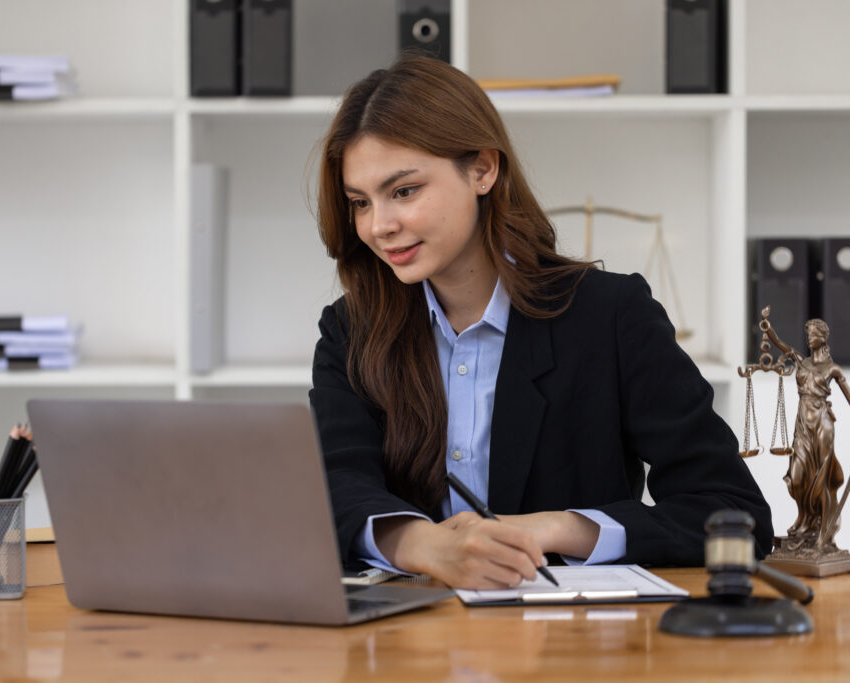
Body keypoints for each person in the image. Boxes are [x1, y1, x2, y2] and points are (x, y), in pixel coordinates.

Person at [308, 55, 772, 590]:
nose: (379, 226)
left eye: (404, 191)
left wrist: (561, 527)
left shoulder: (611, 315)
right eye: (360, 202)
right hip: (407, 643)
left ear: (482, 169)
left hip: (567, 644)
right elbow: (335, 485)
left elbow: (733, 512)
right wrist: (425, 545)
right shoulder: (351, 330)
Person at [763, 317, 850, 553]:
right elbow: (782, 345)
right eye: (808, 333)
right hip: (802, 422)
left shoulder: (832, 368)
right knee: (798, 476)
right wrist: (768, 329)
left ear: (823, 337)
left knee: (822, 478)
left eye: (813, 334)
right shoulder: (803, 362)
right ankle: (807, 523)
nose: (809, 337)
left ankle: (823, 536)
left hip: (822, 422)